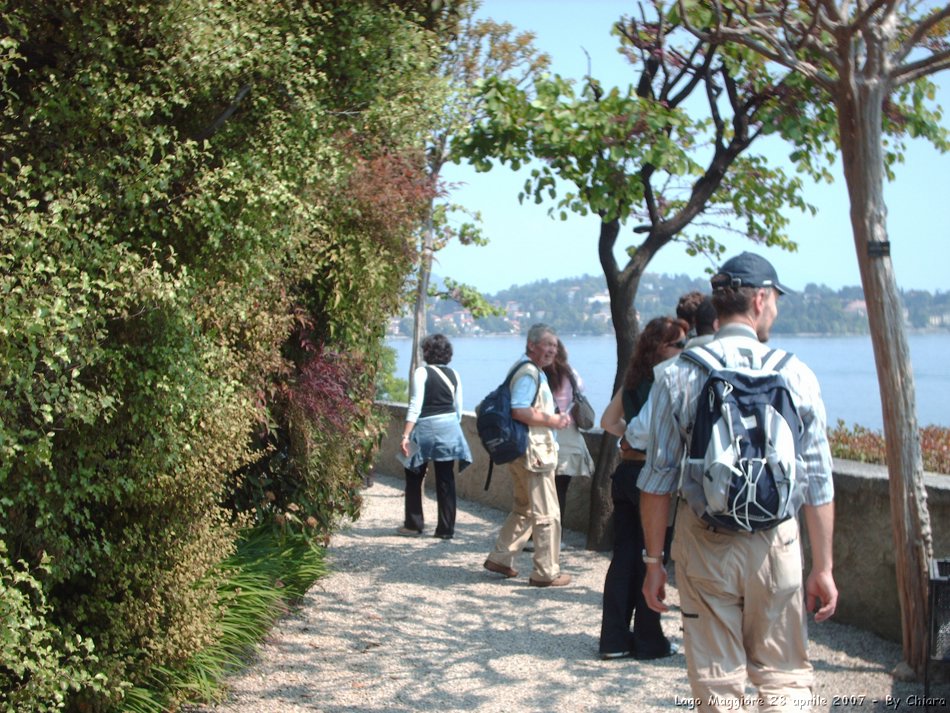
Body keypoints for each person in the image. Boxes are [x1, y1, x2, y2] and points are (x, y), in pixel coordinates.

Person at [638, 252, 838, 711]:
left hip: (706, 540)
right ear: (761, 299)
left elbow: (657, 481)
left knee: (717, 684)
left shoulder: (680, 374)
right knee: (785, 677)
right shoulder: (797, 373)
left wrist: (654, 562)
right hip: (776, 543)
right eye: (775, 301)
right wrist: (822, 567)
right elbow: (818, 481)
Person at [598, 316, 688, 660]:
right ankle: (649, 639)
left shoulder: (634, 378)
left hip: (625, 474)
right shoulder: (669, 382)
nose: (684, 349)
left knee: (623, 558)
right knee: (653, 557)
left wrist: (629, 440)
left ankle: (614, 639)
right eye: (677, 344)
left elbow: (607, 421)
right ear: (659, 347)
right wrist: (643, 443)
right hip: (651, 478)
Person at [483, 323, 573, 587]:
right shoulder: (529, 373)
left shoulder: (527, 370)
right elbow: (519, 410)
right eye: (547, 344)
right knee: (547, 513)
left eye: (555, 346)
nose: (552, 350)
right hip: (534, 453)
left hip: (524, 451)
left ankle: (500, 557)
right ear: (532, 344)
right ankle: (546, 572)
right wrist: (554, 420)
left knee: (524, 508)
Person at [398, 334, 472, 539]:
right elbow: (458, 409)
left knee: (413, 472)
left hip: (425, 427)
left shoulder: (422, 372)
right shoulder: (454, 374)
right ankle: (446, 529)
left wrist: (405, 435)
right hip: (449, 428)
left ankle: (414, 524)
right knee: (446, 478)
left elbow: (415, 405)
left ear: (427, 353)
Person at [544, 338, 594, 524]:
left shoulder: (538, 374)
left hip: (544, 434)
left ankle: (536, 536)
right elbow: (581, 393)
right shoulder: (571, 374)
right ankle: (556, 536)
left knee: (540, 491)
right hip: (569, 437)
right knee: (560, 491)